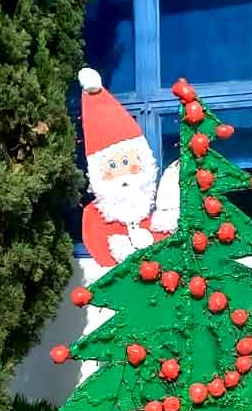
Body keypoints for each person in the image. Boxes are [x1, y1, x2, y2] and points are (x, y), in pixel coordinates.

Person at [77, 68, 179, 268]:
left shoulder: (153, 203)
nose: (122, 174)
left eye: (126, 162)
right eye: (112, 165)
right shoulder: (94, 216)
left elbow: (168, 241)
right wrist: (121, 249)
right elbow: (100, 250)